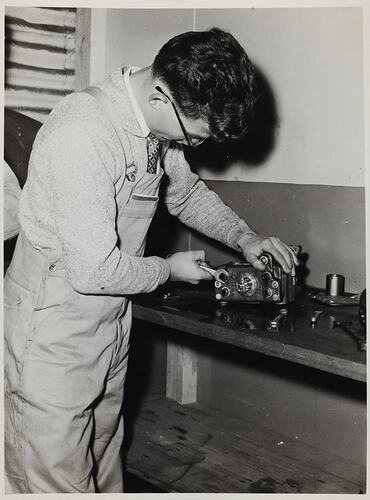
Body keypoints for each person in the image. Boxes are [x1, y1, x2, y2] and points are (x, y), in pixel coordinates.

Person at [4, 27, 298, 493]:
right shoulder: (84, 131)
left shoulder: (159, 125)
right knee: (52, 476)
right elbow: (94, 270)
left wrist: (245, 237)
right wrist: (169, 270)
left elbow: (185, 196)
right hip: (53, 328)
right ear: (162, 96)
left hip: (110, 318)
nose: (195, 148)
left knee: (102, 455)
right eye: (196, 137)